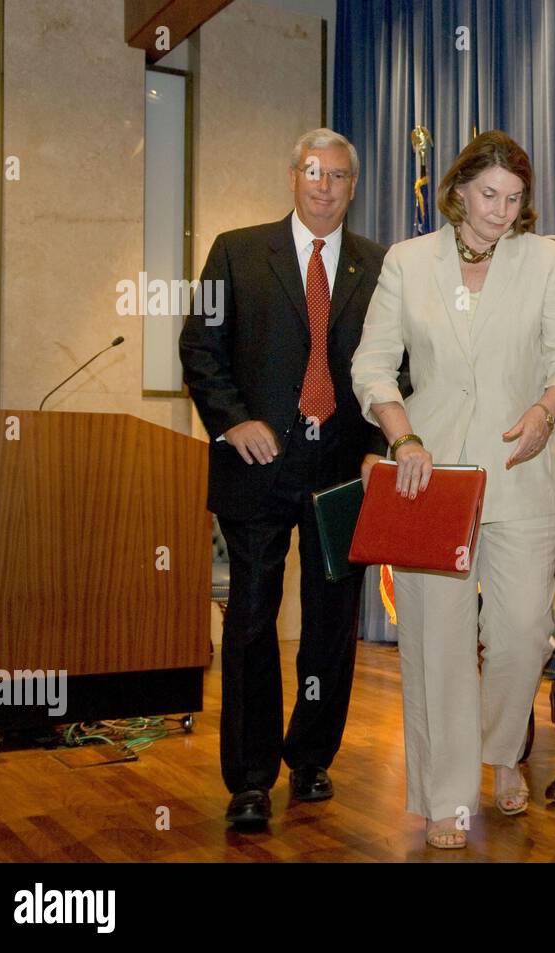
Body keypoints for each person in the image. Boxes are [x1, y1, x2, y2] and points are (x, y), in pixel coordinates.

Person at [352, 130, 555, 848]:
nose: (500, 209)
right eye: (489, 194)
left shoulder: (545, 260)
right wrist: (403, 437)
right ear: (458, 191)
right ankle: (448, 794)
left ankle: (501, 751)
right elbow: (372, 366)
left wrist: (547, 411)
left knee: (522, 632)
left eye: (514, 198)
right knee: (438, 642)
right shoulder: (407, 262)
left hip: (521, 469)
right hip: (432, 479)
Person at [179, 128, 389, 830]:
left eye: (338, 175)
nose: (324, 185)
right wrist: (232, 420)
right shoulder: (236, 252)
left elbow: (395, 364)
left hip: (342, 470)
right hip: (256, 465)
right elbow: (200, 347)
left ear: (353, 187)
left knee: (332, 624)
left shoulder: (378, 265)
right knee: (250, 618)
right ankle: (248, 776)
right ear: (292, 178)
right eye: (312, 171)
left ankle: (311, 755)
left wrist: (378, 443)